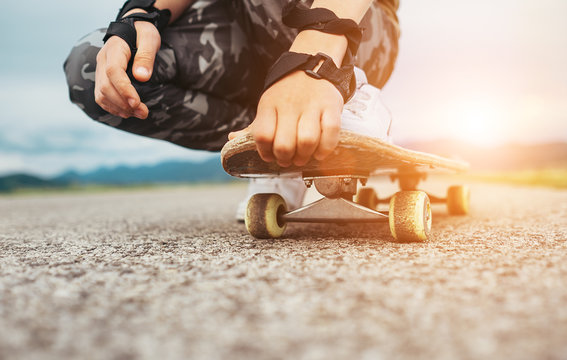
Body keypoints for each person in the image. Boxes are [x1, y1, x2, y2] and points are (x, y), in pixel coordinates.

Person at [64, 0, 400, 220]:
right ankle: (275, 132)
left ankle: (347, 87)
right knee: (90, 68)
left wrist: (318, 61)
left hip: (355, 22)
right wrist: (143, 14)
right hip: (240, 27)